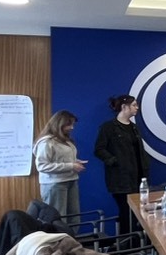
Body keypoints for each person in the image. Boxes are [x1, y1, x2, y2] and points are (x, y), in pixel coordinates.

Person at [93, 94, 150, 236]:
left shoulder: (134, 127)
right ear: (124, 107)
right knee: (126, 212)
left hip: (138, 178)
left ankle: (136, 241)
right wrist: (114, 161)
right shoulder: (109, 127)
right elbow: (99, 150)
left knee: (136, 212)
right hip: (120, 179)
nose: (137, 108)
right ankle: (127, 242)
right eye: (134, 105)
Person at [34, 110, 87, 222]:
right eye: (69, 124)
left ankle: (71, 234)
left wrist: (76, 162)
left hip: (71, 181)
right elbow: (42, 166)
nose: (72, 128)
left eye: (73, 124)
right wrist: (71, 166)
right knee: (58, 219)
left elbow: (60, 158)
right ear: (59, 124)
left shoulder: (65, 140)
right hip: (54, 184)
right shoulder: (46, 142)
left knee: (74, 217)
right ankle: (58, 235)